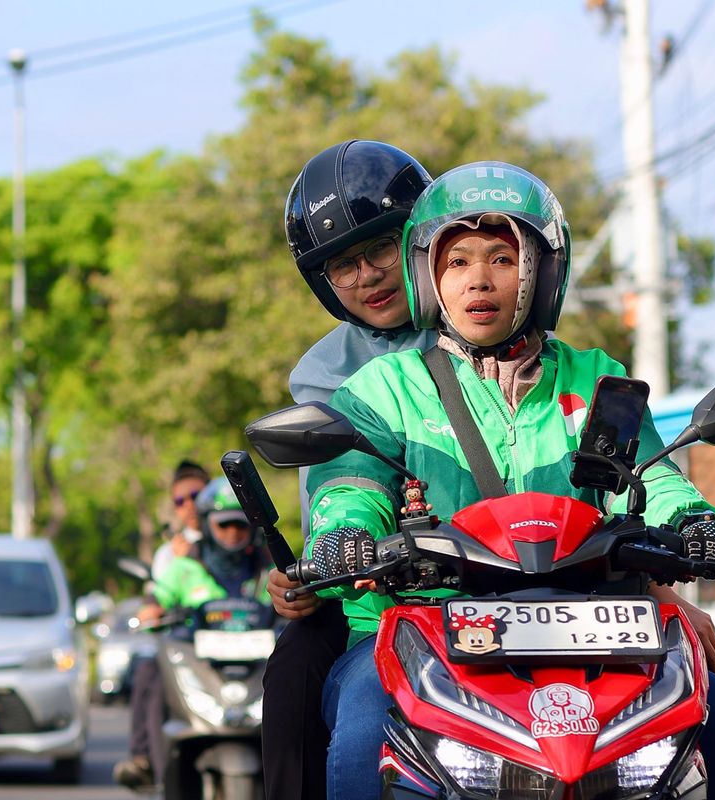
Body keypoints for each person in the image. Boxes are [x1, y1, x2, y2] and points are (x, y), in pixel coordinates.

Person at [304, 161, 715, 800]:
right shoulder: (382, 389)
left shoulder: (597, 379)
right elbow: (351, 486)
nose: (478, 281)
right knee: (362, 733)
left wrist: (695, 524)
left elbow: (648, 480)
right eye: (456, 262)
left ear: (541, 271)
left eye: (501, 258)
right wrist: (344, 535)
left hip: (593, 624)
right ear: (428, 277)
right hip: (421, 623)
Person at [263, 138, 437, 800]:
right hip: (381, 586)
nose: (366, 275)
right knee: (294, 674)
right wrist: (306, 573)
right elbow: (340, 495)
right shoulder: (324, 374)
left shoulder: (487, 329)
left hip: (520, 573)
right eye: (341, 265)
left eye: (379, 248)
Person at [114, 478, 271, 790]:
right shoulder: (184, 567)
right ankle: (154, 768)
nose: (232, 533)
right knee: (154, 675)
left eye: (239, 526)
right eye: (223, 525)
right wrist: (151, 610)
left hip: (258, 670)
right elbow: (156, 600)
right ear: (206, 525)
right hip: (198, 666)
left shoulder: (268, 566)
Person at [151, 460, 209, 581]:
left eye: (195, 496)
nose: (189, 505)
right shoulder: (167, 554)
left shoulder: (237, 537)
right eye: (180, 501)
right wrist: (180, 565)